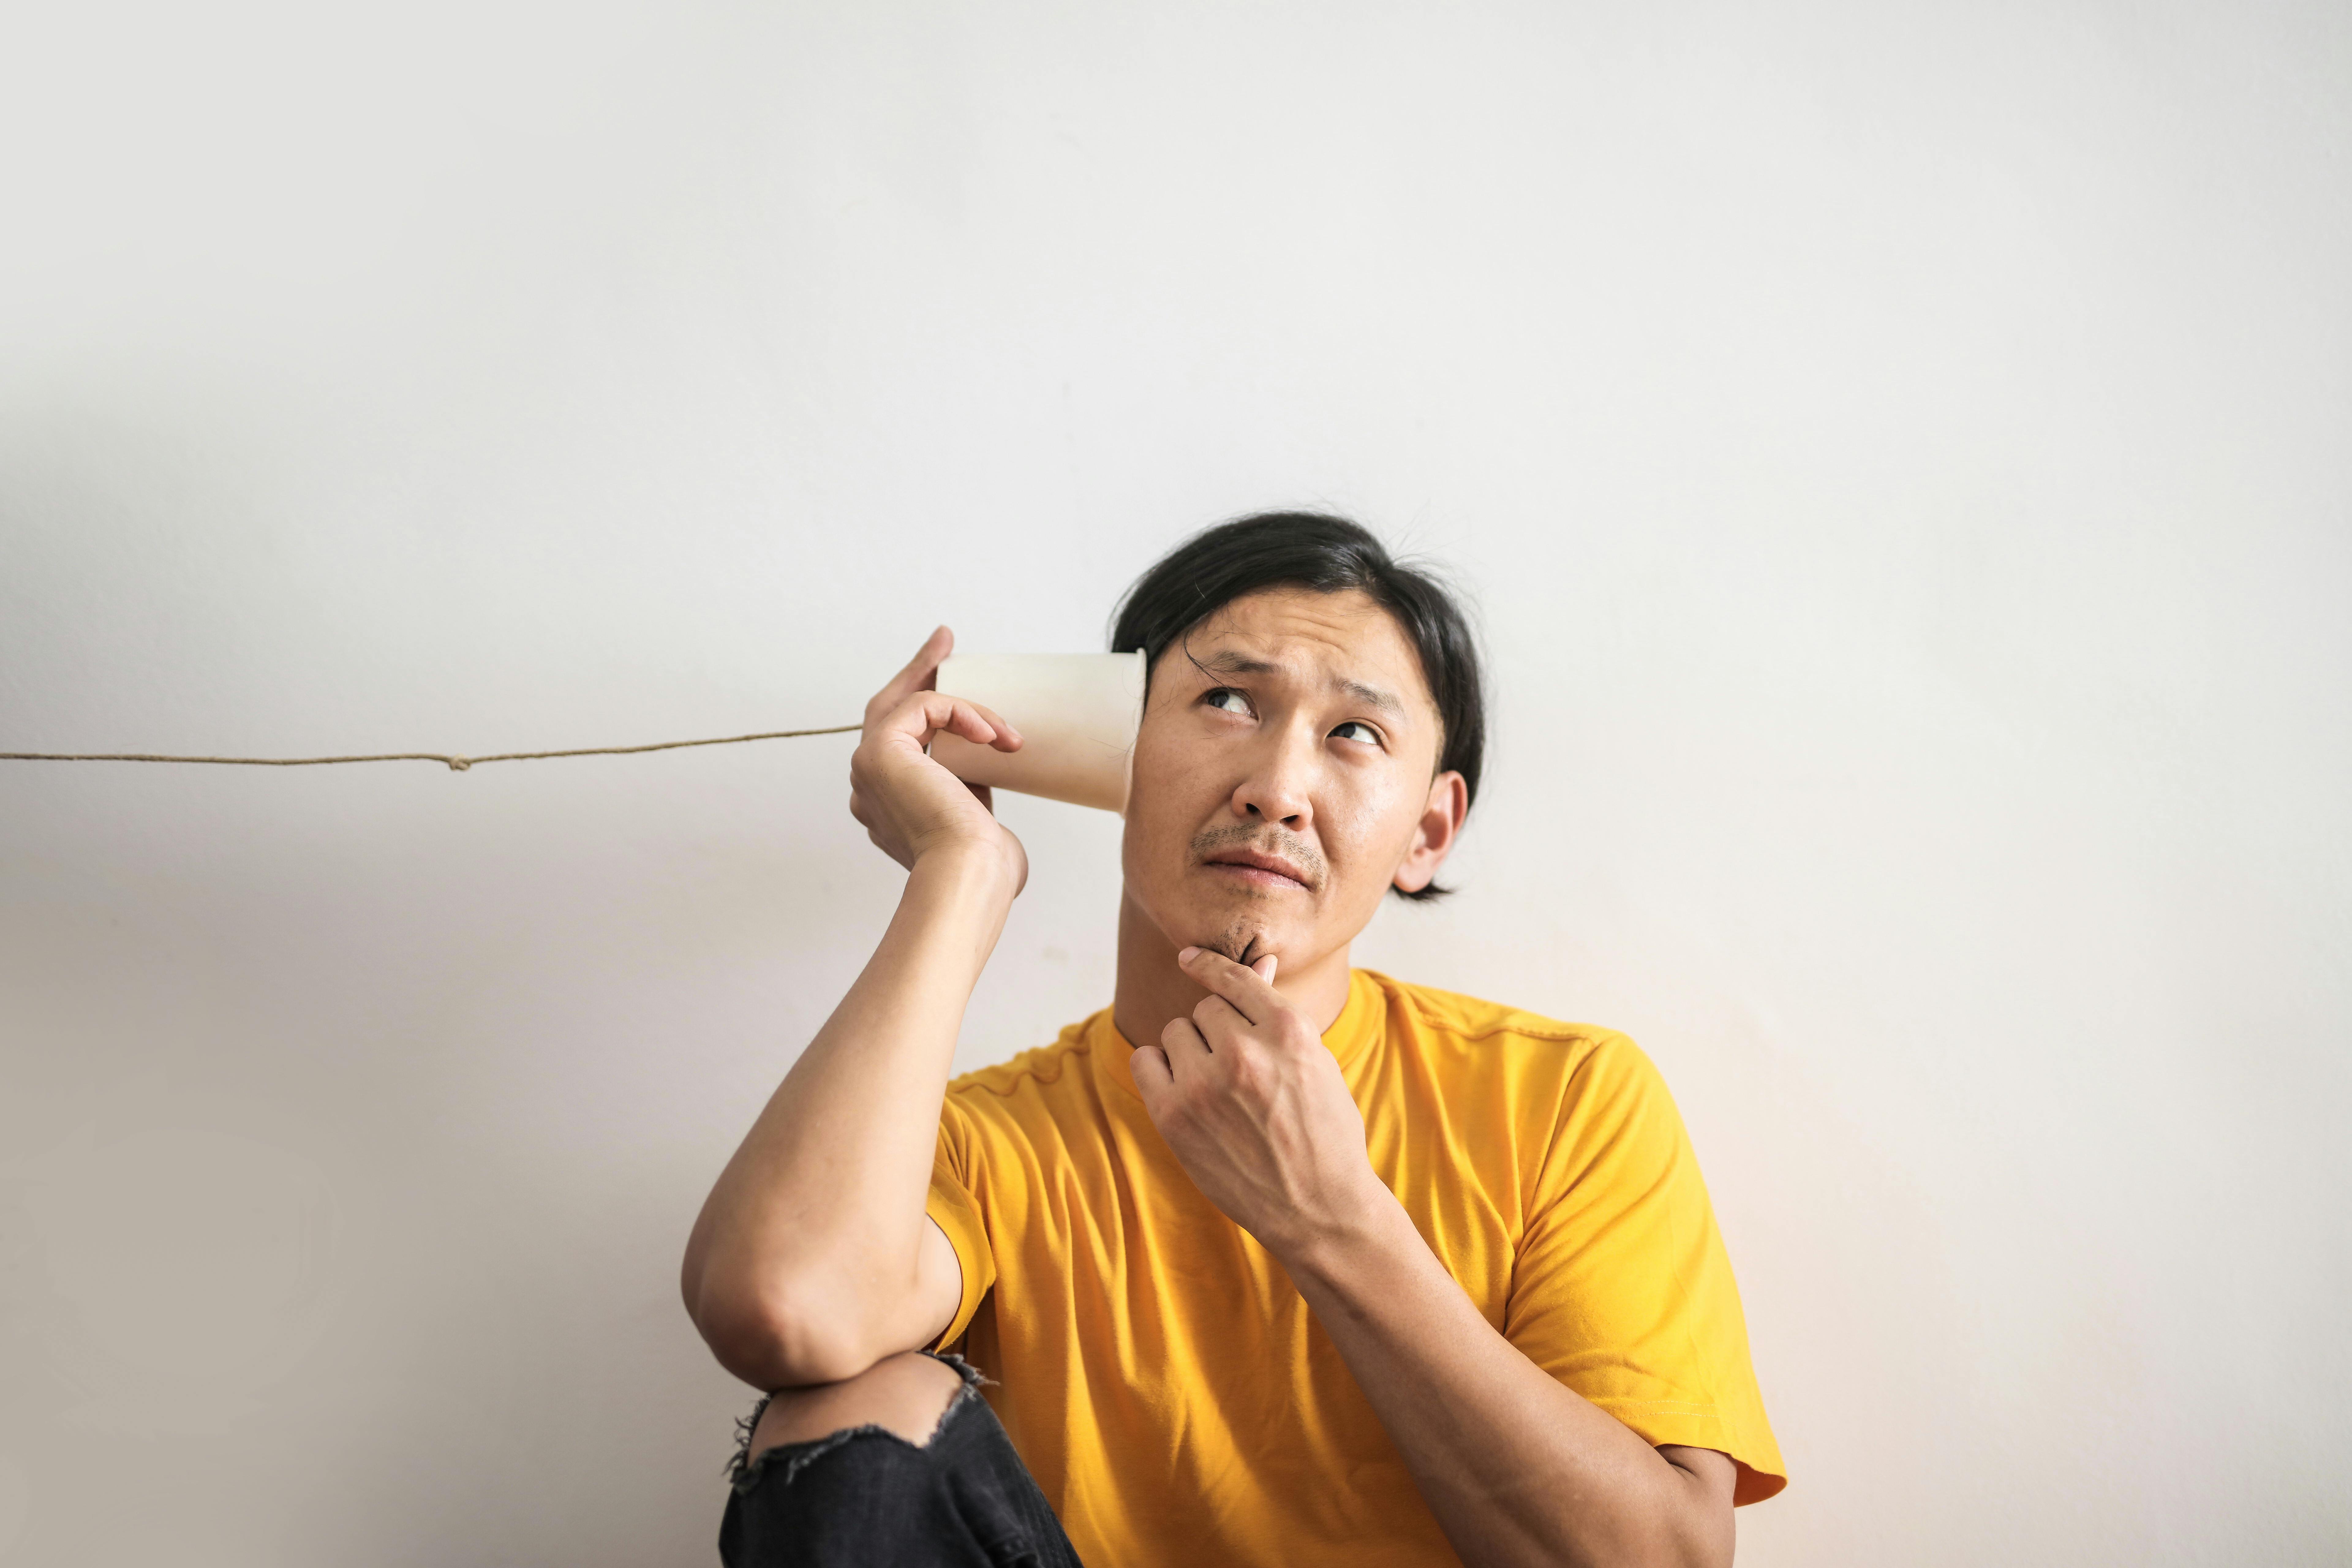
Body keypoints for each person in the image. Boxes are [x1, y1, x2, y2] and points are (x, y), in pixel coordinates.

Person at [681, 513, 1786, 1567]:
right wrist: (961, 874)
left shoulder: (1565, 1101)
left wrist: (1332, 1219)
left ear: (1428, 830)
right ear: (1113, 751)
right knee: (853, 1401)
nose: (1278, 791)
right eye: (1225, 701)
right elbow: (785, 1307)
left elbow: (1668, 1558)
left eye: (1354, 733)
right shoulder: (986, 1143)